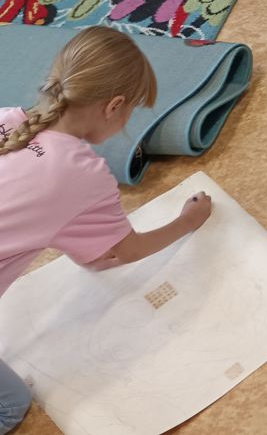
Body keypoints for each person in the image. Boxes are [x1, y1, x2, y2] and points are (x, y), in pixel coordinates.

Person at [0, 26, 213, 433]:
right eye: (133, 111)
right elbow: (121, 253)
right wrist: (186, 222)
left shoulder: (7, 117)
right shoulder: (83, 172)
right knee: (11, 405)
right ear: (114, 106)